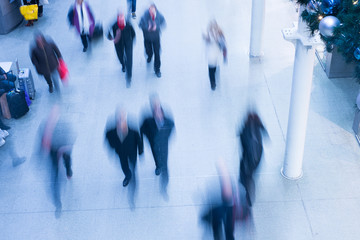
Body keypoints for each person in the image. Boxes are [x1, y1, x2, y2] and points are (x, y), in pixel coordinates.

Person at [40, 105, 76, 216]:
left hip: (64, 148)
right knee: (54, 176)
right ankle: (58, 204)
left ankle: (69, 170)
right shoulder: (45, 125)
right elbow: (41, 140)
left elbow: (72, 136)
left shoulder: (63, 125)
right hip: (53, 151)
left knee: (67, 162)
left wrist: (66, 147)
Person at [140, 94, 174, 195]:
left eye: (159, 110)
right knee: (155, 156)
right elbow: (142, 129)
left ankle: (164, 184)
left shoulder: (169, 122)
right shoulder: (147, 120)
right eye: (155, 111)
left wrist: (164, 140)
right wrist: (149, 138)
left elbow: (171, 132)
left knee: (165, 164)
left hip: (163, 145)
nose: (158, 114)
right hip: (153, 143)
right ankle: (158, 166)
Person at [105, 109, 143, 187]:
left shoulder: (133, 129)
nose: (121, 121)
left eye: (122, 118)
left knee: (133, 165)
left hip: (132, 152)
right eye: (119, 119)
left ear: (125, 119)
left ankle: (133, 179)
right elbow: (108, 139)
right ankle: (128, 176)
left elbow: (139, 140)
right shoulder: (111, 131)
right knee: (124, 165)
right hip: (121, 152)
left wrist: (140, 150)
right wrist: (114, 147)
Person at [238, 111, 268, 207]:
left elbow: (244, 144)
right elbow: (265, 135)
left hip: (249, 159)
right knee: (249, 175)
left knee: (247, 176)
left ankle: (248, 196)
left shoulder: (246, 130)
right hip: (257, 158)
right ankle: (247, 191)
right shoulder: (258, 126)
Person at [107, 12, 136, 87]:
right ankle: (123, 64)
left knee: (129, 59)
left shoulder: (128, 24)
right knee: (120, 56)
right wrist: (110, 37)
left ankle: (128, 78)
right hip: (118, 43)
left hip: (128, 43)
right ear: (117, 19)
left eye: (122, 18)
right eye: (119, 19)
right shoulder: (114, 25)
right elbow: (107, 32)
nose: (121, 20)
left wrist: (132, 40)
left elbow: (133, 33)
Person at [139, 4, 166, 78]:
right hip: (147, 38)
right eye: (150, 11)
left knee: (157, 53)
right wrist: (147, 27)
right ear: (148, 10)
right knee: (148, 50)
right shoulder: (144, 16)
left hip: (156, 38)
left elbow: (164, 23)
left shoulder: (159, 16)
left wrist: (157, 27)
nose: (151, 13)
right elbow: (140, 24)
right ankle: (149, 55)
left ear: (155, 10)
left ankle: (157, 69)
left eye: (153, 12)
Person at [203, 20, 227, 90]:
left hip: (215, 56)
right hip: (211, 56)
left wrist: (225, 56)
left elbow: (224, 46)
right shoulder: (208, 36)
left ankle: (213, 81)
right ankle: (213, 84)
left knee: (213, 68)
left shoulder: (220, 37)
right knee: (211, 70)